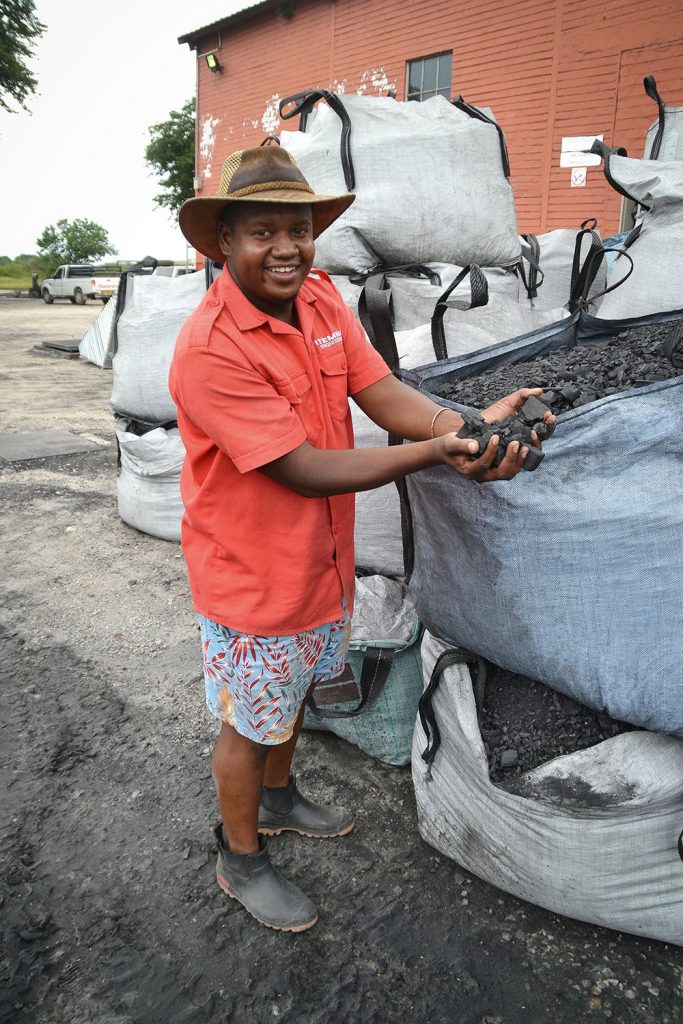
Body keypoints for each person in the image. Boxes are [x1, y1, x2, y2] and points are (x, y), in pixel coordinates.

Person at [169, 146, 555, 933]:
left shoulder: (317, 300)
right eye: (263, 233)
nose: (286, 247)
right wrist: (435, 453)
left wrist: (470, 426)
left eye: (300, 229)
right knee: (251, 719)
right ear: (222, 245)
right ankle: (239, 857)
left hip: (323, 563)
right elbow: (304, 469)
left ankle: (277, 801)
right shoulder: (212, 349)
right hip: (254, 577)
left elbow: (380, 392)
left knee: (298, 692)